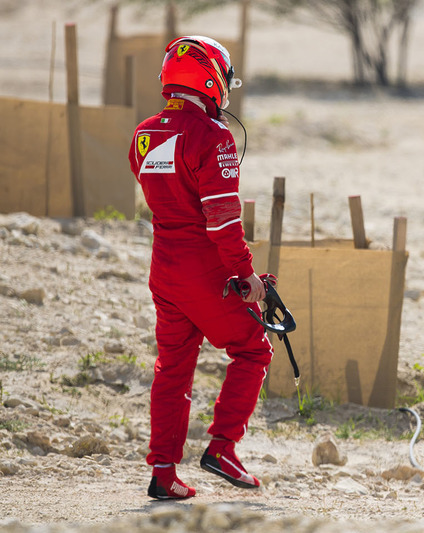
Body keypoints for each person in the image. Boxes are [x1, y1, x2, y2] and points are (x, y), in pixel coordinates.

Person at [128, 35, 272, 500]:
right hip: (203, 268)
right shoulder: (215, 137)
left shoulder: (143, 134)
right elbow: (223, 219)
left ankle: (164, 473)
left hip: (163, 267)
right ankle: (223, 446)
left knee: (172, 369)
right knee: (253, 349)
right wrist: (247, 275)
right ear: (212, 78)